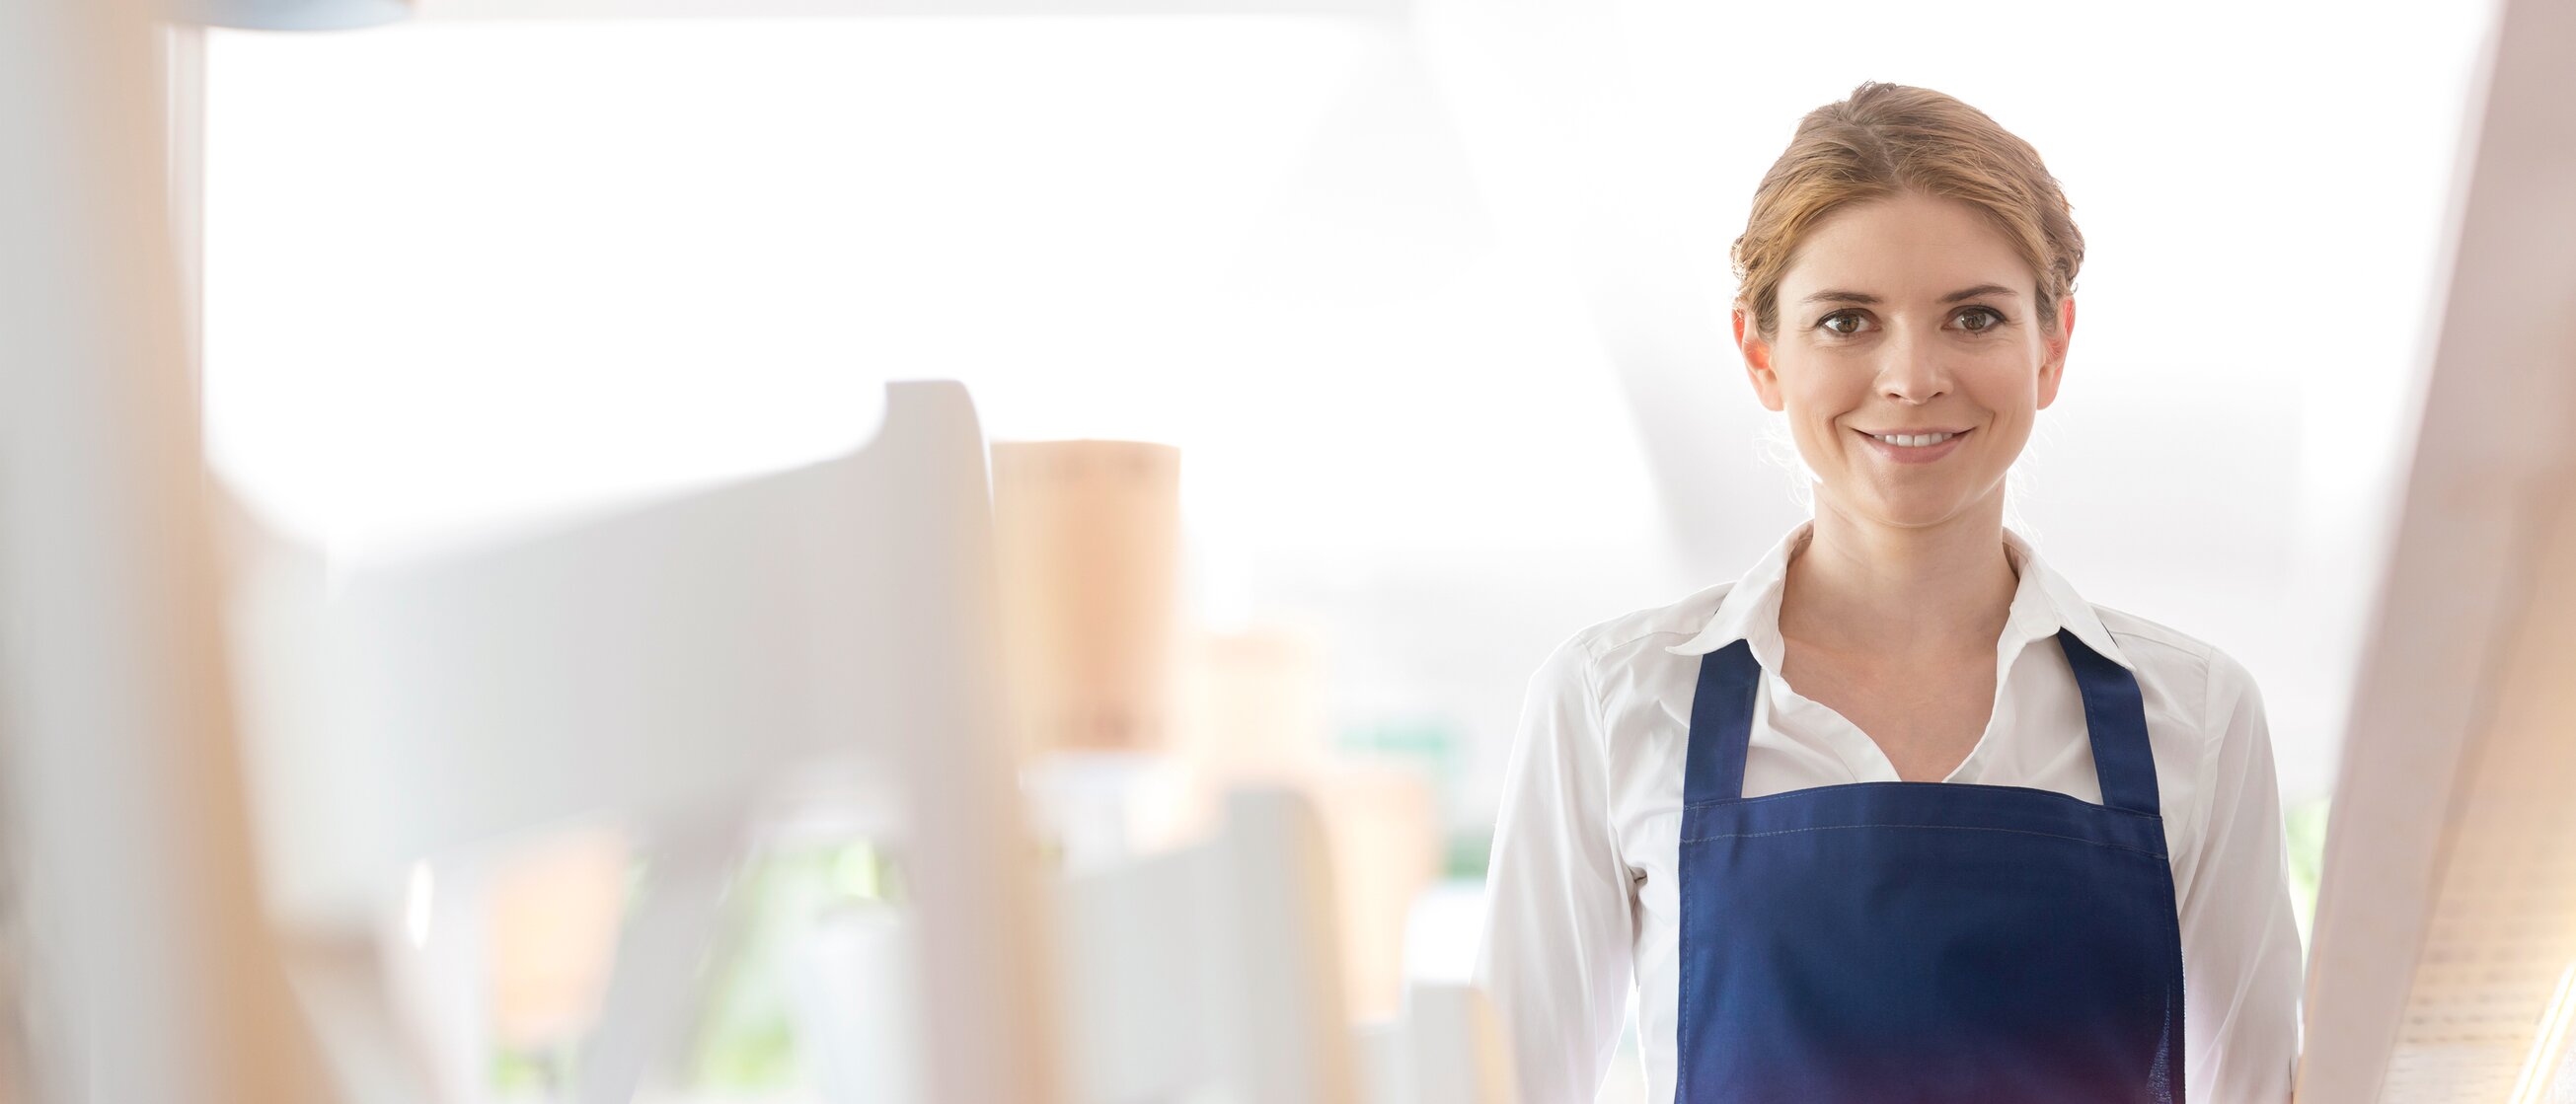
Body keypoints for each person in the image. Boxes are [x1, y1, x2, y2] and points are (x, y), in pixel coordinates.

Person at [1472, 81, 2304, 1103]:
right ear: (1761, 352)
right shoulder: (1615, 704)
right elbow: (1507, 1087)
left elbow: (2258, 1087)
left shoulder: (2199, 714)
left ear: (2051, 347)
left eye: (1973, 316)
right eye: (1847, 321)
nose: (1911, 378)